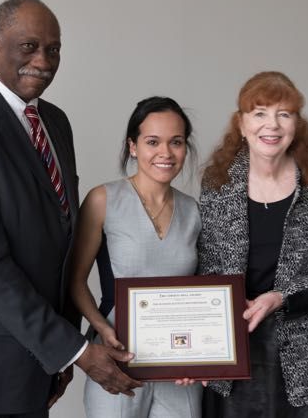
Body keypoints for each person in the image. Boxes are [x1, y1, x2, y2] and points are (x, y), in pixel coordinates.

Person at [0, 0, 139, 417]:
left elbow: (62, 245)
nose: (43, 60)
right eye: (28, 46)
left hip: (33, 366)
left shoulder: (55, 123)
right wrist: (74, 350)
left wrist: (65, 350)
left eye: (53, 49)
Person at [198, 71, 308, 417]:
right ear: (241, 124)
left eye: (284, 114)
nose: (272, 125)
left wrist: (282, 298)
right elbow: (206, 268)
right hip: (232, 347)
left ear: (297, 124)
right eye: (260, 113)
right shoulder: (217, 182)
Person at [70, 96, 203, 418]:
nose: (165, 153)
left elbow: (202, 294)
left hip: (179, 369)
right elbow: (74, 281)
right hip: (118, 358)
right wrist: (101, 327)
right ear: (133, 146)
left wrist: (206, 354)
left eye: (176, 142)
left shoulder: (194, 210)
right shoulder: (103, 200)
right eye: (152, 141)